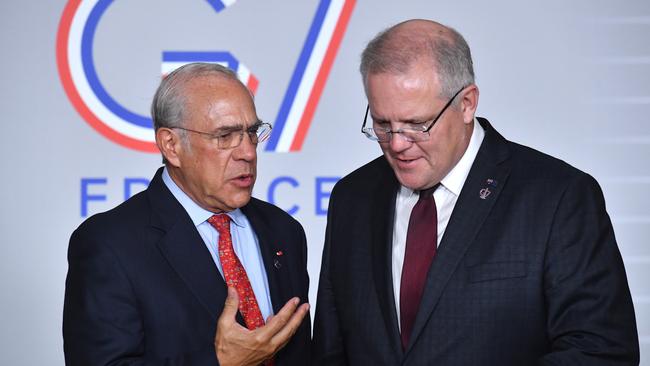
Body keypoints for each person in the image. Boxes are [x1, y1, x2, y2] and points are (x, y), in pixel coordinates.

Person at [312, 19, 639, 365]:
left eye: (416, 124)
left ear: (467, 103)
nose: (396, 144)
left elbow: (600, 352)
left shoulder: (558, 197)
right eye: (382, 124)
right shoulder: (352, 198)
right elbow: (331, 354)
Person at [63, 63, 310, 365]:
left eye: (251, 132)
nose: (248, 152)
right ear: (172, 145)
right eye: (226, 136)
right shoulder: (110, 244)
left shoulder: (283, 230)